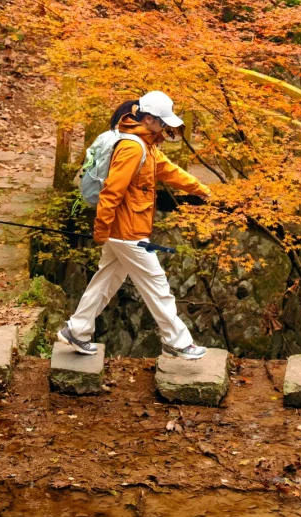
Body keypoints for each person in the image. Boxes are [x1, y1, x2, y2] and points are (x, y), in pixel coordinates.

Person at [58, 90, 212, 360]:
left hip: (126, 230)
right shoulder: (132, 147)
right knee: (157, 284)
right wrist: (102, 229)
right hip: (127, 231)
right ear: (149, 119)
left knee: (106, 280)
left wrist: (199, 189)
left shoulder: (147, 146)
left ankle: (77, 330)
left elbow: (170, 171)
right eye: (163, 122)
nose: (166, 127)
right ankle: (177, 341)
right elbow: (111, 191)